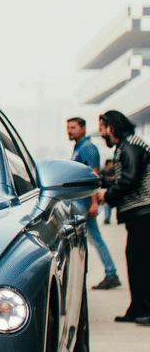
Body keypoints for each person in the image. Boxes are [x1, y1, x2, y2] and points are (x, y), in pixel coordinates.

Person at [97, 109, 150, 324]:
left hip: (143, 213)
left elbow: (129, 180)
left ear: (111, 128)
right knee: (136, 261)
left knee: (141, 263)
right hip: (139, 214)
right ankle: (137, 308)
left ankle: (145, 310)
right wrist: (103, 182)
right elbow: (124, 178)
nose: (102, 134)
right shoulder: (126, 146)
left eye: (102, 129)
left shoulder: (132, 146)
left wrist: (108, 195)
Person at [67, 116, 120, 290]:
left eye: (73, 127)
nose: (69, 131)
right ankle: (111, 273)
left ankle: (110, 273)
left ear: (83, 129)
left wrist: (94, 203)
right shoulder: (79, 147)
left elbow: (94, 176)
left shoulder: (88, 148)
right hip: (80, 202)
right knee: (93, 238)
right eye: (68, 127)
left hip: (83, 203)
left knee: (83, 238)